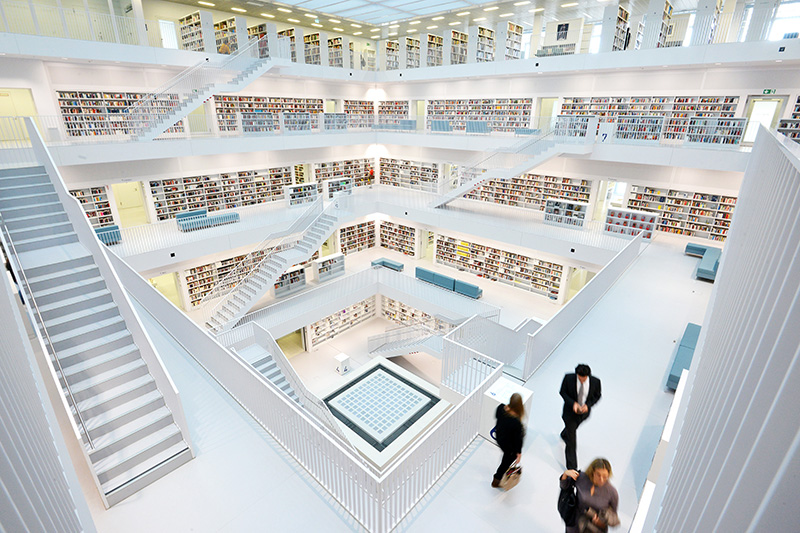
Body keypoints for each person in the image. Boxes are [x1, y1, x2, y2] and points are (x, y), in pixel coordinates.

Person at [560, 364, 602, 469]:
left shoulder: (595, 382)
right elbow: (563, 392)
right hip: (570, 413)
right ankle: (572, 468)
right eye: (579, 378)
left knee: (571, 431)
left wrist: (588, 405)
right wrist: (573, 403)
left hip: (584, 413)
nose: (582, 381)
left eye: (584, 379)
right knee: (572, 442)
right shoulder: (568, 378)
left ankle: (565, 434)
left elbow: (597, 395)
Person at [560, 458, 619, 533]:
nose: (601, 479)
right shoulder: (581, 478)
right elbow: (564, 486)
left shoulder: (612, 492)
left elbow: (613, 517)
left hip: (594, 528)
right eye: (598, 475)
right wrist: (566, 474)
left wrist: (601, 523)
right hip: (575, 523)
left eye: (605, 476)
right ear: (592, 472)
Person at [491, 392, 525, 488]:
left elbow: (497, 417)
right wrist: (518, 453)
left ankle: (497, 479)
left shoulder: (500, 407)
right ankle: (496, 480)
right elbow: (518, 440)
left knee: (506, 458)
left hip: (500, 438)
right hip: (509, 445)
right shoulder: (516, 422)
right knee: (506, 462)